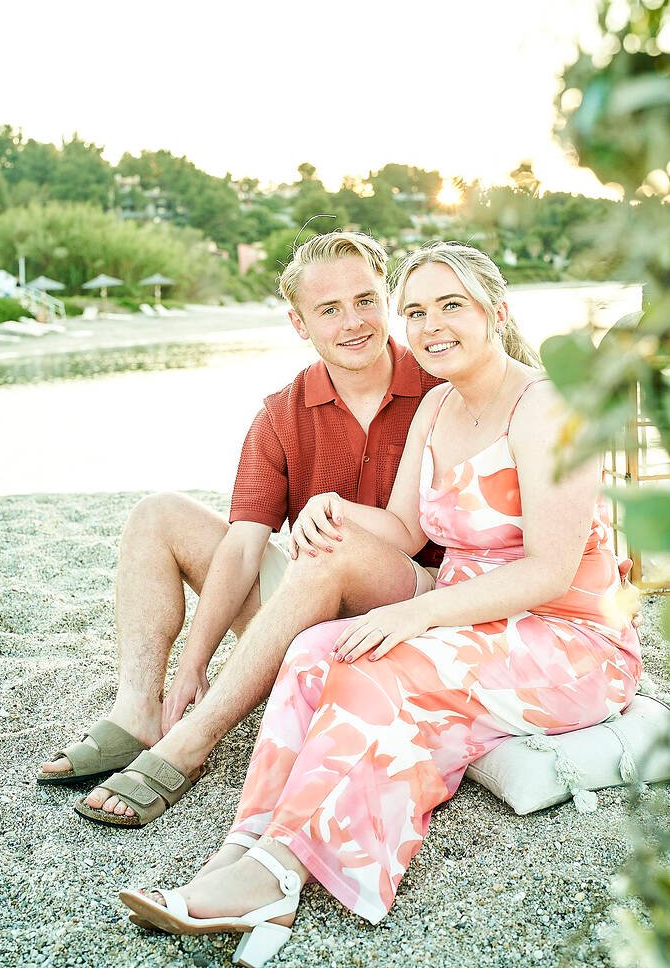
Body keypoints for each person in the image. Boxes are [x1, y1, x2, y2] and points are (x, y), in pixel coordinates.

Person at [117, 241, 642, 966]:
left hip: (568, 639)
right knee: (311, 651)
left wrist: (412, 614)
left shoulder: (546, 406)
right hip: (477, 618)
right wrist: (334, 507)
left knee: (378, 668)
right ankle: (246, 842)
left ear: (496, 310)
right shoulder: (435, 405)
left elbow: (550, 572)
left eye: (450, 305)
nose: (431, 326)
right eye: (417, 311)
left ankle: (281, 871)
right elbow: (404, 530)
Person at [38, 231, 444, 825]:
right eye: (328, 310)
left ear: (386, 299)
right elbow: (242, 548)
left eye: (365, 300)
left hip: (407, 610)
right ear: (299, 323)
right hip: (303, 605)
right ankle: (138, 712)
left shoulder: (439, 386)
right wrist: (193, 664)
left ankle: (194, 740)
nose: (353, 322)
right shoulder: (281, 413)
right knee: (158, 513)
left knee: (330, 542)